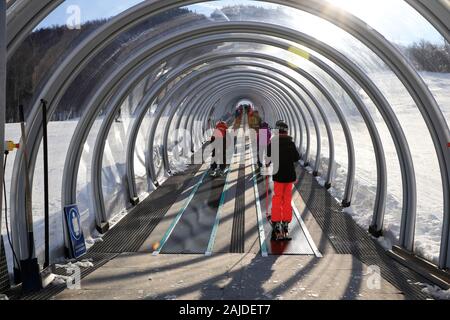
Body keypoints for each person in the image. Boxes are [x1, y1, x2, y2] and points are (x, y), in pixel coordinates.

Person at [268, 120, 300, 241]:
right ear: (286, 131)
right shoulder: (291, 143)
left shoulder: (273, 143)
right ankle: (286, 222)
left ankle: (276, 222)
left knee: (277, 198)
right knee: (287, 199)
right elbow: (297, 158)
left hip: (278, 176)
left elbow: (268, 158)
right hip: (290, 176)